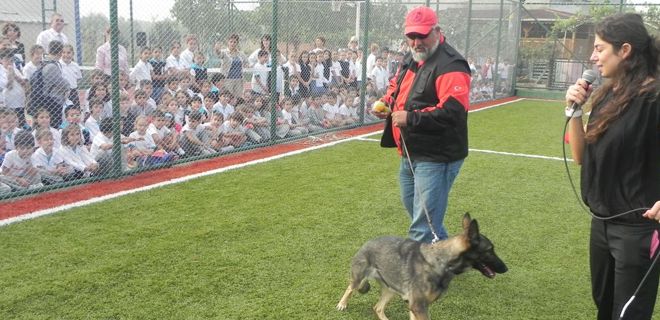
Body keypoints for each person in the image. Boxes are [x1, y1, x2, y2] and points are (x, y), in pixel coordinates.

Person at [564, 13, 659, 320]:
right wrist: (574, 111)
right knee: (604, 306)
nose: (593, 57)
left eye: (600, 48)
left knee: (629, 314)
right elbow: (581, 157)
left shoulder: (654, 98)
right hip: (601, 223)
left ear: (625, 50)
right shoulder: (608, 94)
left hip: (638, 229)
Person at [375, 6, 471, 243]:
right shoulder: (411, 57)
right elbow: (396, 86)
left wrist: (410, 118)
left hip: (437, 156)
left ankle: (416, 280)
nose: (416, 42)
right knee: (424, 217)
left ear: (437, 31)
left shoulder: (452, 65)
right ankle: (454, 255)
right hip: (410, 152)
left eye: (422, 35)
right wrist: (386, 101)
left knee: (421, 226)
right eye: (411, 36)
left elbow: (453, 112)